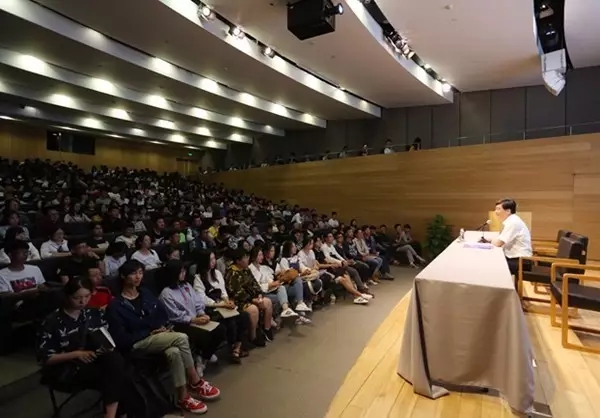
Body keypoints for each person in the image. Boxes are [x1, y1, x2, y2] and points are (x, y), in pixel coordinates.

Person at [106, 260, 220, 414]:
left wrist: (160, 327)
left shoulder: (145, 293)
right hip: (136, 343)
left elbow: (162, 314)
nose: (138, 277)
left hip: (157, 336)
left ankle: (183, 397)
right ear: (123, 276)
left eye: (140, 273)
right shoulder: (116, 305)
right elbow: (121, 337)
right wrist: (149, 332)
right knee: (181, 338)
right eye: (133, 273)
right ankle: (196, 381)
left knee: (174, 352)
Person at [36, 276, 130, 418]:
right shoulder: (52, 321)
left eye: (87, 296)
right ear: (67, 296)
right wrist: (76, 354)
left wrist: (106, 346)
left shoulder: (93, 313)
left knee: (117, 364)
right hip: (67, 367)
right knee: (117, 374)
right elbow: (45, 358)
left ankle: (113, 414)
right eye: (77, 298)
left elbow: (104, 336)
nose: (83, 301)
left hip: (94, 359)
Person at [158, 260, 226, 376]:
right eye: (181, 272)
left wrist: (201, 313)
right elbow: (174, 315)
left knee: (221, 329)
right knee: (204, 335)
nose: (184, 273)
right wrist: (193, 320)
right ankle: (200, 359)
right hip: (181, 324)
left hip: (196, 319)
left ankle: (204, 356)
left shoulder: (186, 286)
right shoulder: (166, 293)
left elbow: (197, 302)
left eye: (184, 271)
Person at [193, 250, 250, 363]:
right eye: (210, 259)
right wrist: (221, 304)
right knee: (230, 322)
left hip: (223, 305)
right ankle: (232, 349)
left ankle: (237, 347)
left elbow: (223, 291)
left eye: (214, 258)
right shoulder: (198, 278)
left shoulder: (217, 273)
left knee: (244, 316)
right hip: (211, 308)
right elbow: (202, 299)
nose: (213, 261)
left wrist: (227, 302)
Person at [225, 248, 273, 344]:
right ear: (238, 261)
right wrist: (253, 300)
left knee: (267, 302)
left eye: (247, 257)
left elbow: (254, 284)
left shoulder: (246, 269)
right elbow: (236, 293)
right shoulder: (231, 272)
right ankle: (253, 336)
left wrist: (259, 296)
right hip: (239, 301)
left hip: (252, 297)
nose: (247, 259)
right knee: (253, 309)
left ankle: (267, 329)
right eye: (245, 257)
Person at [489, 198, 533, 279]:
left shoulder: (513, 223)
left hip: (520, 261)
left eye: (498, 209)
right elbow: (500, 239)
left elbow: (498, 243)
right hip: (515, 258)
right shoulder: (512, 220)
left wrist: (490, 241)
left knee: (491, 265)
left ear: (508, 211)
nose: (496, 212)